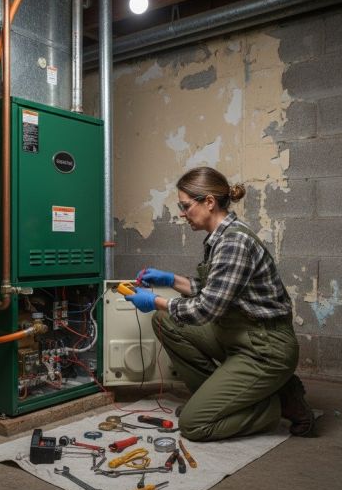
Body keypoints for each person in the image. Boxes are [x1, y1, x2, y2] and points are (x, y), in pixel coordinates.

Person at [123, 166, 314, 442]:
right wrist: (170, 279)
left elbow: (205, 309)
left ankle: (274, 404)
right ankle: (223, 397)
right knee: (166, 322)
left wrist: (155, 300)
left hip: (265, 347)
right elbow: (215, 290)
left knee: (195, 425)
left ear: (209, 202)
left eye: (185, 205)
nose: (181, 213)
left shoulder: (233, 241)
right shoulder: (219, 238)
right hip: (237, 334)